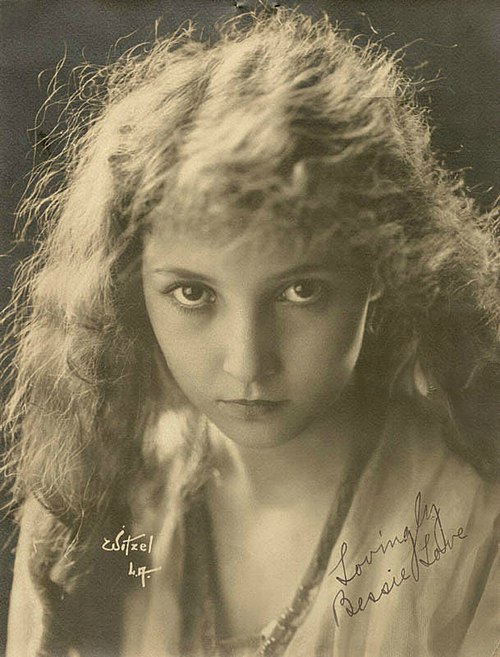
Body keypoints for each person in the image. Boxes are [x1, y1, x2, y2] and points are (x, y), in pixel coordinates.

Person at [3, 8, 499, 657]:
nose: (247, 363)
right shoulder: (88, 504)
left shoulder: (475, 519)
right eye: (193, 294)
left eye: (301, 291)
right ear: (131, 286)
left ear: (381, 270)